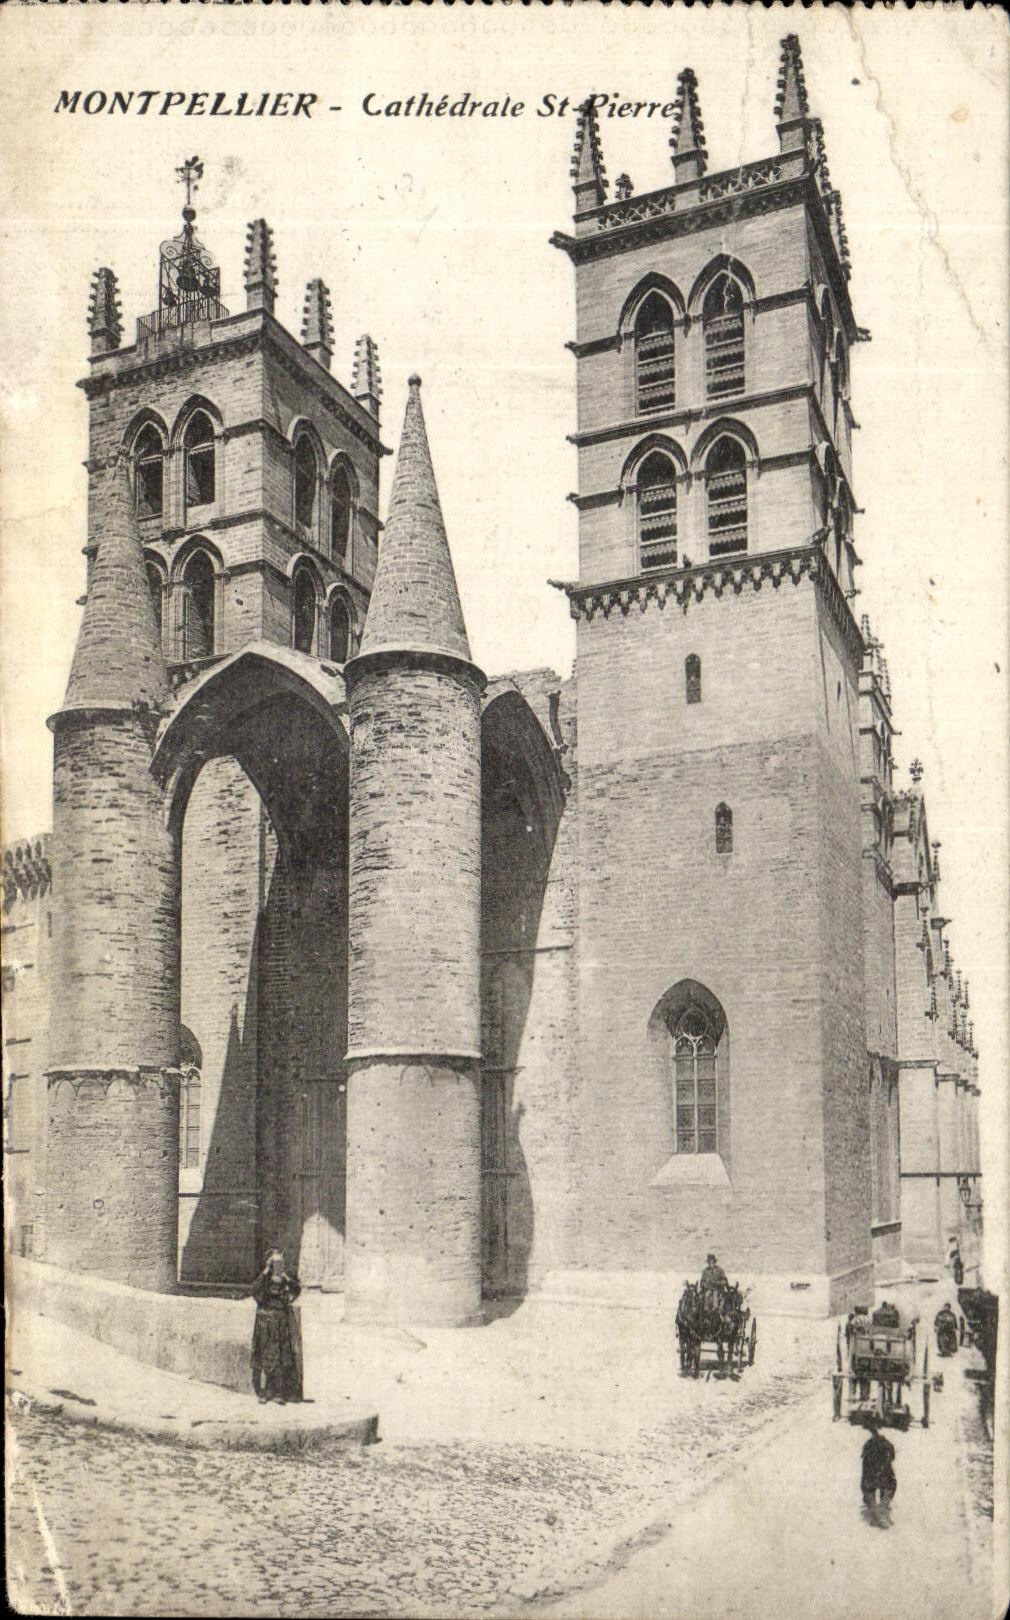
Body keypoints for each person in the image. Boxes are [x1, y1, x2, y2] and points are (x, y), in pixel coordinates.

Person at [251, 1248, 302, 1404]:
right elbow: (255, 1291)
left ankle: (279, 1393)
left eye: (281, 1263)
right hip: (265, 1320)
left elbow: (296, 1290)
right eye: (276, 1263)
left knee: (281, 1356)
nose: (279, 1266)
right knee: (266, 1355)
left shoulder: (285, 1280)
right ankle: (266, 1392)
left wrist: (285, 1279)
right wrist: (266, 1271)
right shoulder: (264, 1279)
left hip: (280, 1321)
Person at [860, 1420, 897, 1515]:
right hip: (883, 1470)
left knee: (869, 1487)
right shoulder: (885, 1443)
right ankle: (882, 1505)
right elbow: (892, 1456)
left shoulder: (868, 1444)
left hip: (872, 1472)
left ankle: (873, 1505)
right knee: (888, 1485)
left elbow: (864, 1457)